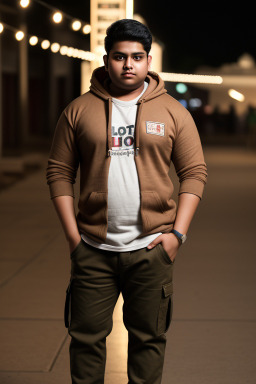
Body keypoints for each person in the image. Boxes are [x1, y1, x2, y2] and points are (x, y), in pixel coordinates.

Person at [46, 18, 207, 384]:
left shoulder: (173, 112)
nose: (128, 64)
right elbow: (58, 173)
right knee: (85, 341)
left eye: (137, 57)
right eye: (120, 57)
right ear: (106, 60)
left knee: (148, 341)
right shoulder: (78, 111)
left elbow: (194, 173)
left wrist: (176, 236)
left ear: (149, 61)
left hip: (152, 249)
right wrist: (75, 240)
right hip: (93, 249)